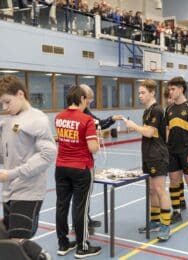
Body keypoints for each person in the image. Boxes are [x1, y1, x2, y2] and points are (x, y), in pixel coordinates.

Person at [0, 75, 57, 260]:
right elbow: (7, 154)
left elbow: (48, 155)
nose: (5, 108)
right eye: (2, 104)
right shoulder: (9, 120)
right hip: (9, 191)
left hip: (28, 191)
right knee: (8, 239)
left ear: (20, 94)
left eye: (7, 102)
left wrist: (11, 174)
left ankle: (40, 256)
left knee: (16, 242)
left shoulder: (37, 119)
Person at [55, 85, 101, 258]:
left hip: (61, 167)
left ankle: (63, 243)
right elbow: (93, 148)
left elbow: (62, 139)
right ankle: (82, 246)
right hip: (81, 168)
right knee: (80, 207)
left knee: (61, 206)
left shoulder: (59, 117)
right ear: (81, 99)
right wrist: (95, 137)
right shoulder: (86, 119)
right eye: (86, 100)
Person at [123, 80, 171, 241]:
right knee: (151, 191)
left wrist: (134, 125)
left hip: (158, 156)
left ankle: (165, 225)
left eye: (143, 92)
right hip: (148, 155)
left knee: (159, 190)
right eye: (139, 93)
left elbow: (150, 132)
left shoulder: (157, 110)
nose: (140, 96)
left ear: (152, 93)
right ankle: (155, 220)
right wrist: (137, 128)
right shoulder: (147, 111)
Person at [78, 84, 123, 230]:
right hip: (81, 160)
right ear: (81, 98)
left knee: (85, 193)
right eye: (88, 100)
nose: (89, 103)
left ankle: (85, 218)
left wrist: (112, 119)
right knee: (81, 194)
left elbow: (99, 124)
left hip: (83, 159)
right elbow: (97, 127)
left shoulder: (85, 111)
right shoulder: (79, 115)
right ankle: (81, 223)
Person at [165, 77, 188, 222]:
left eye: (173, 89)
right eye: (170, 89)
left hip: (187, 152)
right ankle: (176, 212)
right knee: (174, 181)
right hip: (172, 152)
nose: (170, 92)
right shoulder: (169, 109)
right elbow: (168, 130)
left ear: (181, 89)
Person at [163, 86, 187, 210]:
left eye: (171, 96)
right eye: (168, 97)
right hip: (172, 149)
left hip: (185, 149)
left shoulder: (187, 108)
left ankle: (183, 198)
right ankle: (180, 200)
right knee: (175, 178)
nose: (169, 99)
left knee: (184, 176)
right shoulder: (168, 111)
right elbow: (167, 130)